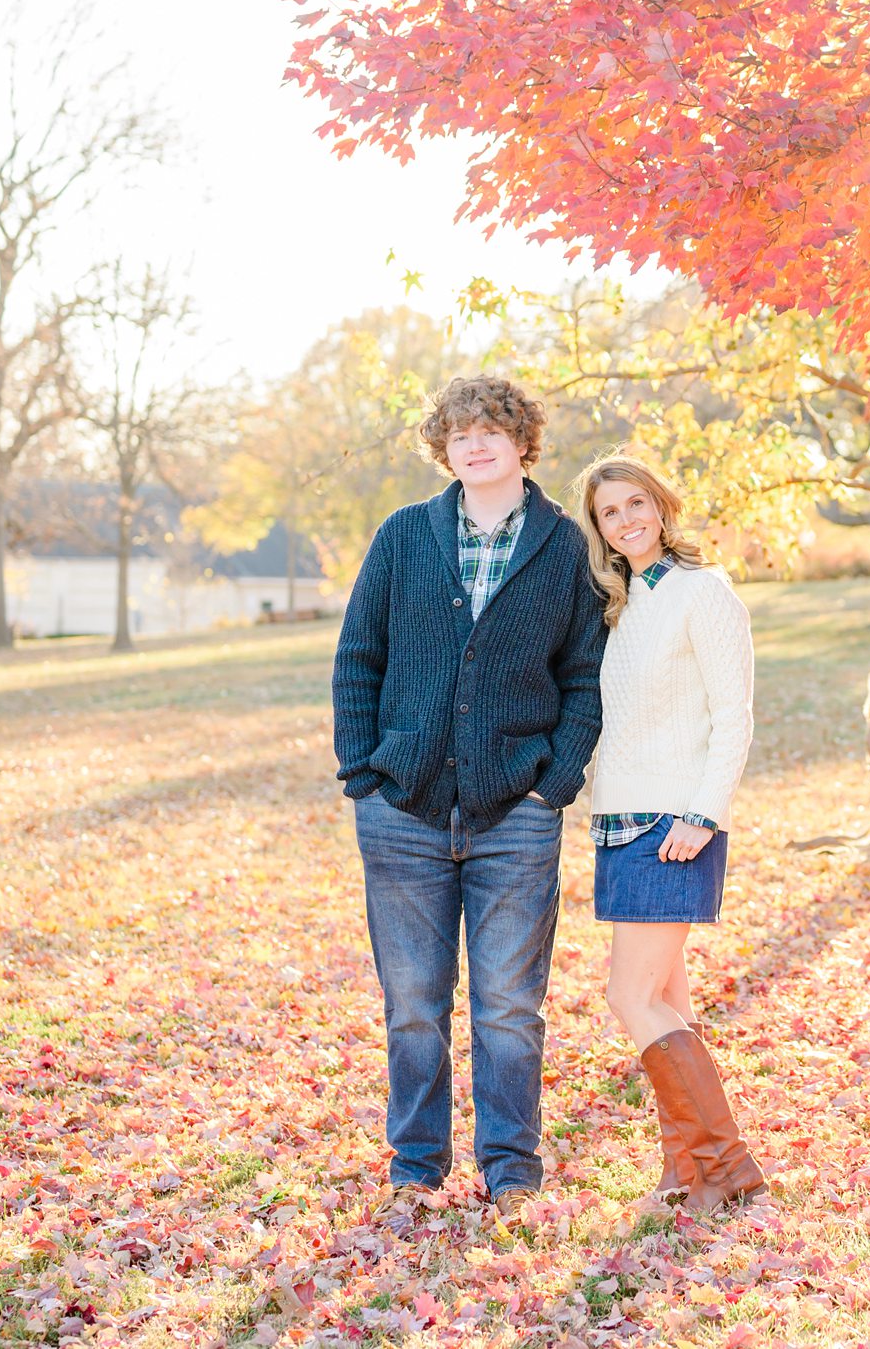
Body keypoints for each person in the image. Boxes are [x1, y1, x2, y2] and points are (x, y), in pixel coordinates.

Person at [332, 374, 607, 1227]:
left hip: (514, 815)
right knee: (413, 1004)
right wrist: (364, 774)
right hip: (403, 809)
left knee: (510, 1007)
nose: (474, 444)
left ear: (522, 441)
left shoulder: (566, 545)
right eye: (458, 434)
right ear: (443, 448)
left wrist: (551, 785)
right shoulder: (404, 535)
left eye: (490, 429)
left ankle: (511, 1167)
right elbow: (358, 658)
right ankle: (416, 1164)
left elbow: (584, 678)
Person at [572, 453, 766, 1214]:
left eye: (635, 503)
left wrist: (703, 812)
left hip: (673, 825)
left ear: (660, 505)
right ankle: (686, 1174)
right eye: (609, 513)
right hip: (619, 821)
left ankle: (728, 1167)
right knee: (667, 1001)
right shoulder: (623, 608)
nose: (626, 520)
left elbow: (733, 716)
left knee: (628, 993)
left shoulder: (701, 591)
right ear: (601, 530)